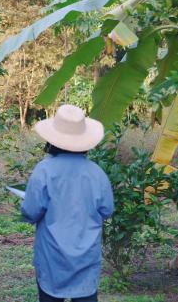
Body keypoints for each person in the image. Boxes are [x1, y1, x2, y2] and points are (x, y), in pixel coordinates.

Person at [21, 104, 114, 302]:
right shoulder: (97, 173)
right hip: (86, 257)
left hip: (51, 256)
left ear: (52, 139)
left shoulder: (44, 170)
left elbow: (30, 211)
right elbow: (107, 210)